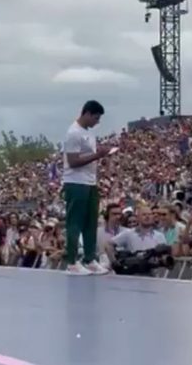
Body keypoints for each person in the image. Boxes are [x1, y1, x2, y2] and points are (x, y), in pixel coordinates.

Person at [62, 100, 112, 275]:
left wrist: (99, 153)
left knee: (91, 222)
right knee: (75, 222)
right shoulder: (73, 133)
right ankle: (72, 261)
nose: (97, 122)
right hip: (75, 182)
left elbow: (87, 155)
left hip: (90, 181)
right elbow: (73, 161)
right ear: (87, 114)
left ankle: (90, 259)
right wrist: (97, 155)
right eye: (96, 118)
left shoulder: (88, 133)